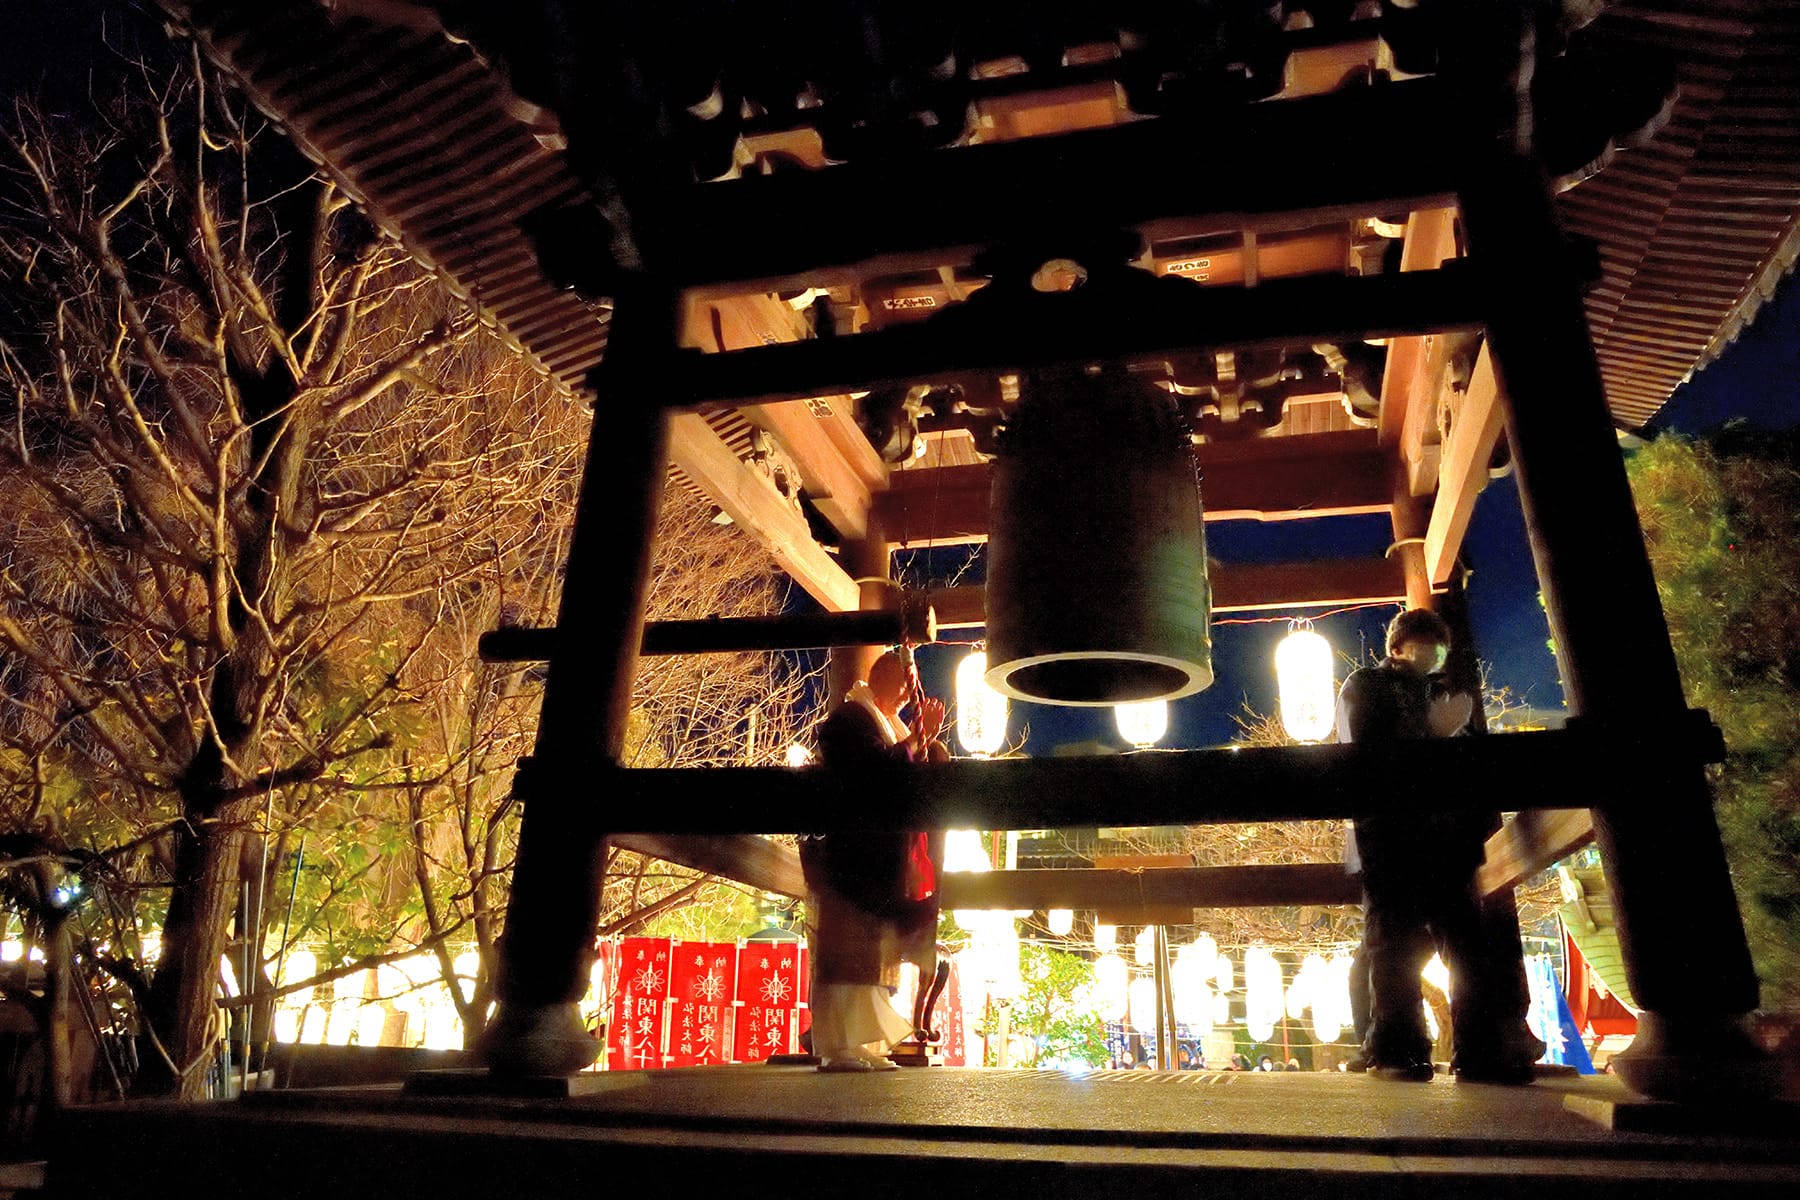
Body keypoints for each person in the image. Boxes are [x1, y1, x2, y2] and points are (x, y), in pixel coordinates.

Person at [1337, 608, 1544, 1084]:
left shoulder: (1440, 693)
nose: (1436, 654)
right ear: (1398, 646)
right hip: (1390, 836)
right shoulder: (1366, 685)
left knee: (1463, 943)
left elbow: (1471, 759)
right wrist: (1433, 737)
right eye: (1427, 644)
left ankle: (1474, 1049)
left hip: (1446, 837)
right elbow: (1366, 748)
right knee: (1395, 944)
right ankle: (1401, 1051)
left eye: (1440, 647)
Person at [803, 650, 946, 1072]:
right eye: (902, 683)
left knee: (867, 956)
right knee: (844, 954)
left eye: (910, 685)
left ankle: (861, 1042)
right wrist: (916, 741)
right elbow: (867, 775)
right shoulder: (850, 719)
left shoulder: (884, 724)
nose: (907, 693)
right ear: (878, 676)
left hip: (875, 858)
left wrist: (918, 744)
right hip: (850, 855)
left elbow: (898, 776)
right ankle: (837, 1046)